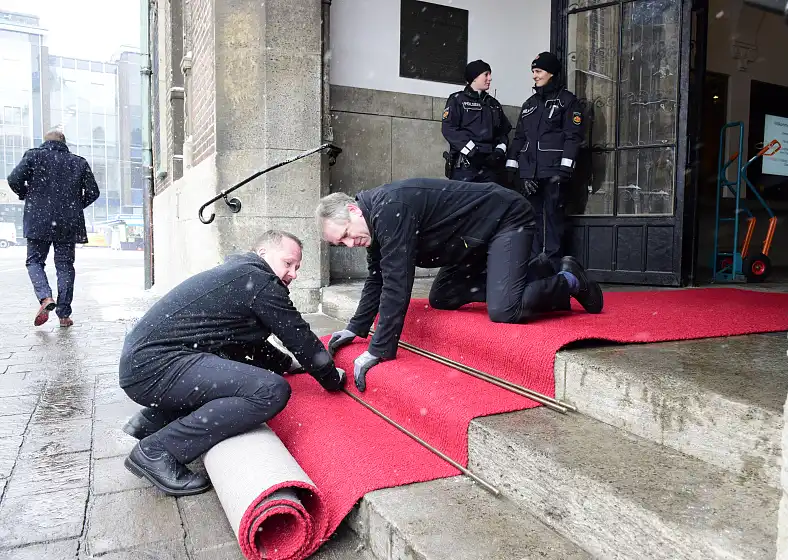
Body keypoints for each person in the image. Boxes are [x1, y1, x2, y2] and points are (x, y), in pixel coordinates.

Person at [316, 180, 603, 392]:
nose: (350, 244)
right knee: (442, 296)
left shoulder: (390, 210)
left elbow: (396, 284)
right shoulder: (373, 221)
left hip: (504, 219)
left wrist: (378, 349)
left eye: (346, 235)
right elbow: (377, 276)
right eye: (342, 243)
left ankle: (570, 279)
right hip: (466, 241)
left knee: (505, 309)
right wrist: (356, 327)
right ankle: (535, 270)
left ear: (353, 210)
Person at [118, 230, 346, 496]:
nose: (293, 273)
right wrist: (331, 377)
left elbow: (244, 342)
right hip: (154, 368)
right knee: (270, 391)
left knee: (235, 364)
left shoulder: (240, 274)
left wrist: (286, 363)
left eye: (297, 267)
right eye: (288, 263)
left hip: (144, 364)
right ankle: (157, 450)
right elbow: (300, 337)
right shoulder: (259, 281)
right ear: (263, 254)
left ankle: (152, 420)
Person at [6, 129, 100, 327]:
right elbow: (93, 192)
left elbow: (13, 180)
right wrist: (74, 206)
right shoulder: (78, 162)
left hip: (38, 219)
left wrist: (26, 195)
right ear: (64, 142)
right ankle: (64, 315)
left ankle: (45, 297)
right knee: (65, 266)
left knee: (34, 261)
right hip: (67, 222)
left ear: (45, 141)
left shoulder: (33, 156)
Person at [505, 52, 585, 272]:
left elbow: (573, 136)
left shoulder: (568, 101)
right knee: (531, 220)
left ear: (551, 73)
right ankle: (533, 267)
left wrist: (565, 169)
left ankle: (551, 266)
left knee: (552, 221)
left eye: (538, 71)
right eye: (533, 71)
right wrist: (515, 169)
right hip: (530, 173)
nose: (534, 76)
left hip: (554, 172)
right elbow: (520, 138)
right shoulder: (529, 104)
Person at [441, 59, 512, 183]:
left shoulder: (493, 104)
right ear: (474, 77)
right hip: (465, 166)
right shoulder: (458, 100)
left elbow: (503, 133)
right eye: (486, 74)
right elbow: (449, 129)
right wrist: (473, 152)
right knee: (463, 201)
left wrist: (498, 152)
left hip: (490, 167)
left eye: (490, 75)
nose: (489, 78)